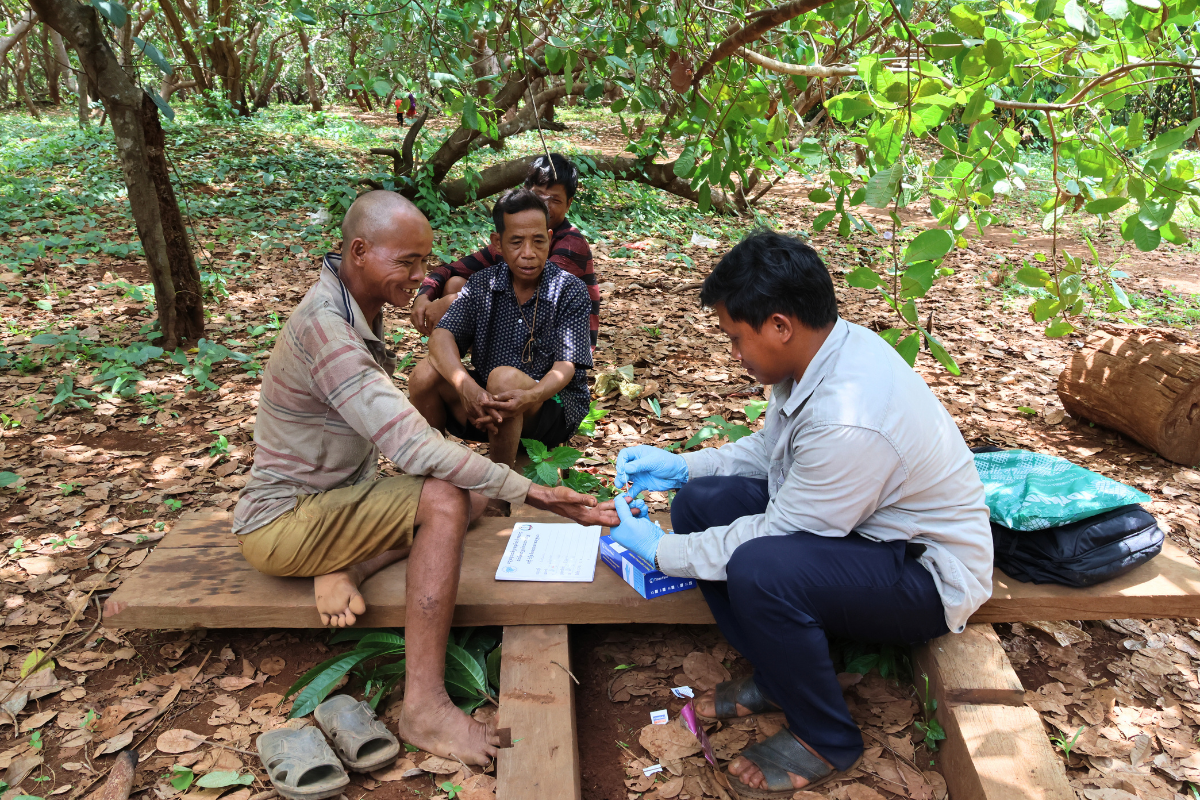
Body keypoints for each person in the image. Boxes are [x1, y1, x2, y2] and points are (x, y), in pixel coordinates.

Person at [228, 190, 616, 765]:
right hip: (284, 521)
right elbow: (410, 442)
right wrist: (536, 491)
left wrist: (509, 463)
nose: (421, 277)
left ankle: (348, 564)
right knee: (445, 495)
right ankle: (425, 706)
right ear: (358, 251)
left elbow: (558, 367)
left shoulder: (355, 302)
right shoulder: (327, 328)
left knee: (474, 489)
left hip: (338, 500)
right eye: (406, 263)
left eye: (424, 261)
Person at [605, 230, 992, 796]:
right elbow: (774, 453)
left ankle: (826, 736)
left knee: (763, 569)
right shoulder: (820, 355)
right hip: (858, 534)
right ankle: (780, 677)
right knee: (700, 504)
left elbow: (782, 534)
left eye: (736, 339)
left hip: (924, 574)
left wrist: (662, 551)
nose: (734, 354)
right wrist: (685, 468)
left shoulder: (848, 416)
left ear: (780, 325)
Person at [408, 189, 592, 514]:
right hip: (490, 407)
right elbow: (440, 339)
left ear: (550, 239)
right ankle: (431, 478)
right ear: (497, 243)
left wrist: (532, 396)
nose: (528, 253)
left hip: (551, 408)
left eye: (538, 241)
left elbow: (566, 366)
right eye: (516, 242)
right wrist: (465, 386)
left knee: (503, 378)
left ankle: (497, 497)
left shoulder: (569, 289)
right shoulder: (482, 285)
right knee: (424, 375)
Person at [409, 153, 599, 348]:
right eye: (538, 196)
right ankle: (459, 362)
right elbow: (450, 269)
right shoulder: (513, 240)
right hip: (518, 328)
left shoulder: (570, 243)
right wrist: (423, 297)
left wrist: (453, 302)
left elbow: (538, 297)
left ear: (568, 204)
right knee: (455, 283)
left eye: (555, 200)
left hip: (558, 346)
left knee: (458, 297)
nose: (545, 205)